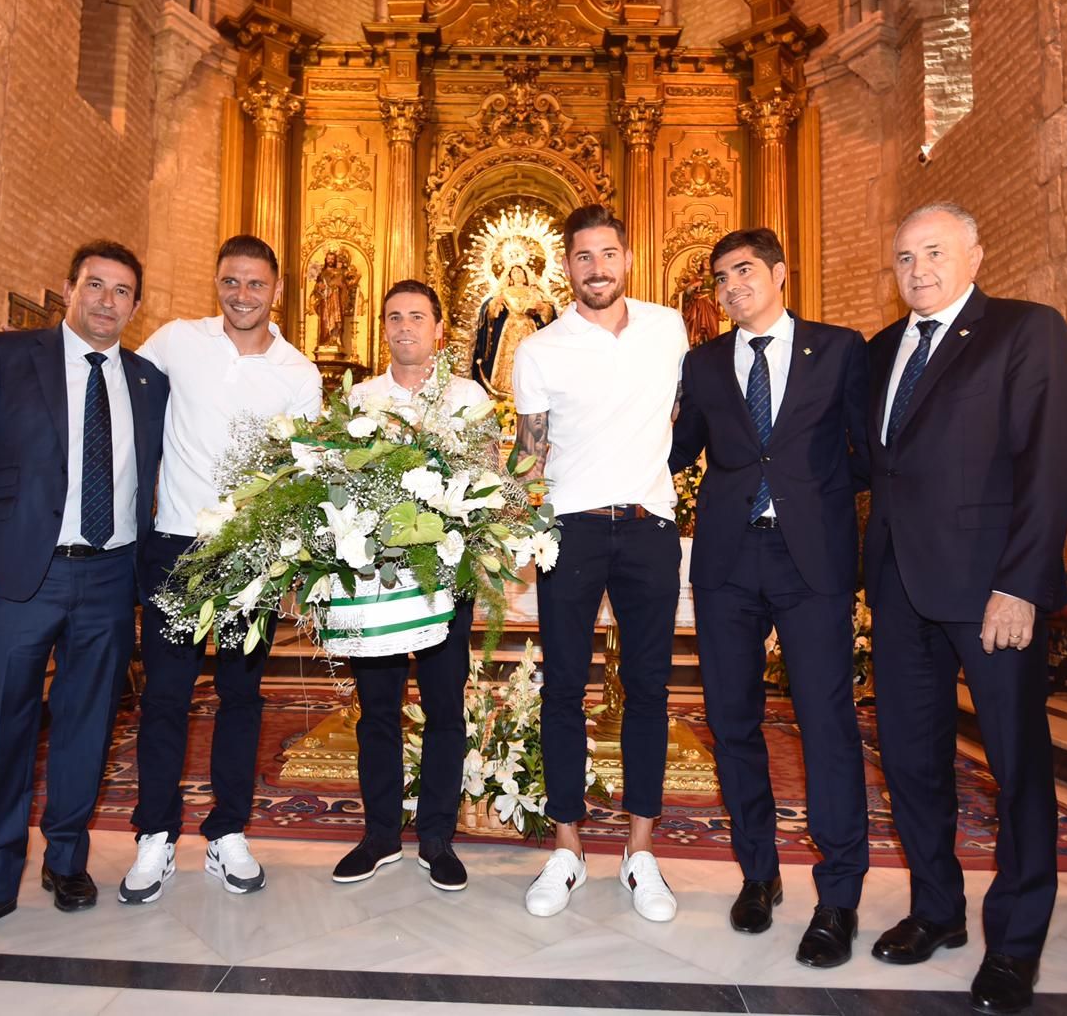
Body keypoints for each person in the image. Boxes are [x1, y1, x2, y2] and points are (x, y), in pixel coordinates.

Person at [865, 202, 1067, 1015]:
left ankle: (1016, 944)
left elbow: (1050, 462)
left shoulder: (1026, 330)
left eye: (934, 252)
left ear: (975, 254)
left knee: (1016, 767)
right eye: (904, 258)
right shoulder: (883, 350)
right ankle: (936, 912)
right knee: (912, 763)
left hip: (992, 591)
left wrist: (1021, 582)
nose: (918, 270)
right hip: (899, 591)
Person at [0, 241, 168, 947]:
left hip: (109, 575)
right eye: (95, 285)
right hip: (17, 573)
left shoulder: (148, 380)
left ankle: (66, 860)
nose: (107, 302)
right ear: (69, 289)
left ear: (135, 306)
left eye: (123, 292)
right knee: (2, 726)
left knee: (88, 726)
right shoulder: (7, 356)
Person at [669, 227, 871, 965]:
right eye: (720, 278)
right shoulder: (705, 362)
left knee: (826, 722)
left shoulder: (839, 348)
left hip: (809, 558)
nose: (731, 287)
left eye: (744, 271)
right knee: (733, 720)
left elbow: (865, 452)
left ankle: (840, 894)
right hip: (726, 560)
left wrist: (816, 503)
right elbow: (676, 449)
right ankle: (759, 872)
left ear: (781, 273)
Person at [117, 235, 321, 905]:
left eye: (255, 284)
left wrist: (290, 554)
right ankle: (156, 836)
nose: (241, 295)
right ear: (217, 283)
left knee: (240, 697)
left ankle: (228, 830)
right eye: (231, 282)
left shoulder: (298, 372)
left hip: (249, 555)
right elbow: (121, 399)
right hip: (176, 545)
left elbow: (306, 472)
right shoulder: (177, 341)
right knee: (166, 697)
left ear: (277, 290)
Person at [510, 204, 688, 922]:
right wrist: (511, 516)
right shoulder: (541, 350)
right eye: (582, 258)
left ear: (626, 258)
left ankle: (640, 853)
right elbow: (529, 453)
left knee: (648, 689)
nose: (596, 269)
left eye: (607, 254)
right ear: (568, 267)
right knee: (563, 689)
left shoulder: (668, 329)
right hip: (571, 533)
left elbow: (682, 414)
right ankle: (568, 848)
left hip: (649, 529)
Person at [331, 279, 489, 892]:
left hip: (445, 575)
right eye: (393, 317)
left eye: (416, 317)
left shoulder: (467, 396)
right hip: (376, 579)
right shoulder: (362, 397)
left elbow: (488, 479)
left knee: (447, 706)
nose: (403, 327)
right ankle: (378, 835)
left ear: (438, 329)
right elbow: (335, 480)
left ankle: (437, 836)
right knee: (377, 710)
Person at [471, 263, 552, 396]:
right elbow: (491, 313)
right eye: (513, 272)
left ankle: (532, 387)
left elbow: (547, 314)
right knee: (509, 356)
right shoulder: (504, 292)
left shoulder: (533, 291)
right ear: (509, 277)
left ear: (525, 275)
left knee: (530, 356)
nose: (517, 274)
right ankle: (507, 389)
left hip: (528, 326)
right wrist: (495, 303)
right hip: (510, 327)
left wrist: (542, 307)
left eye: (519, 272)